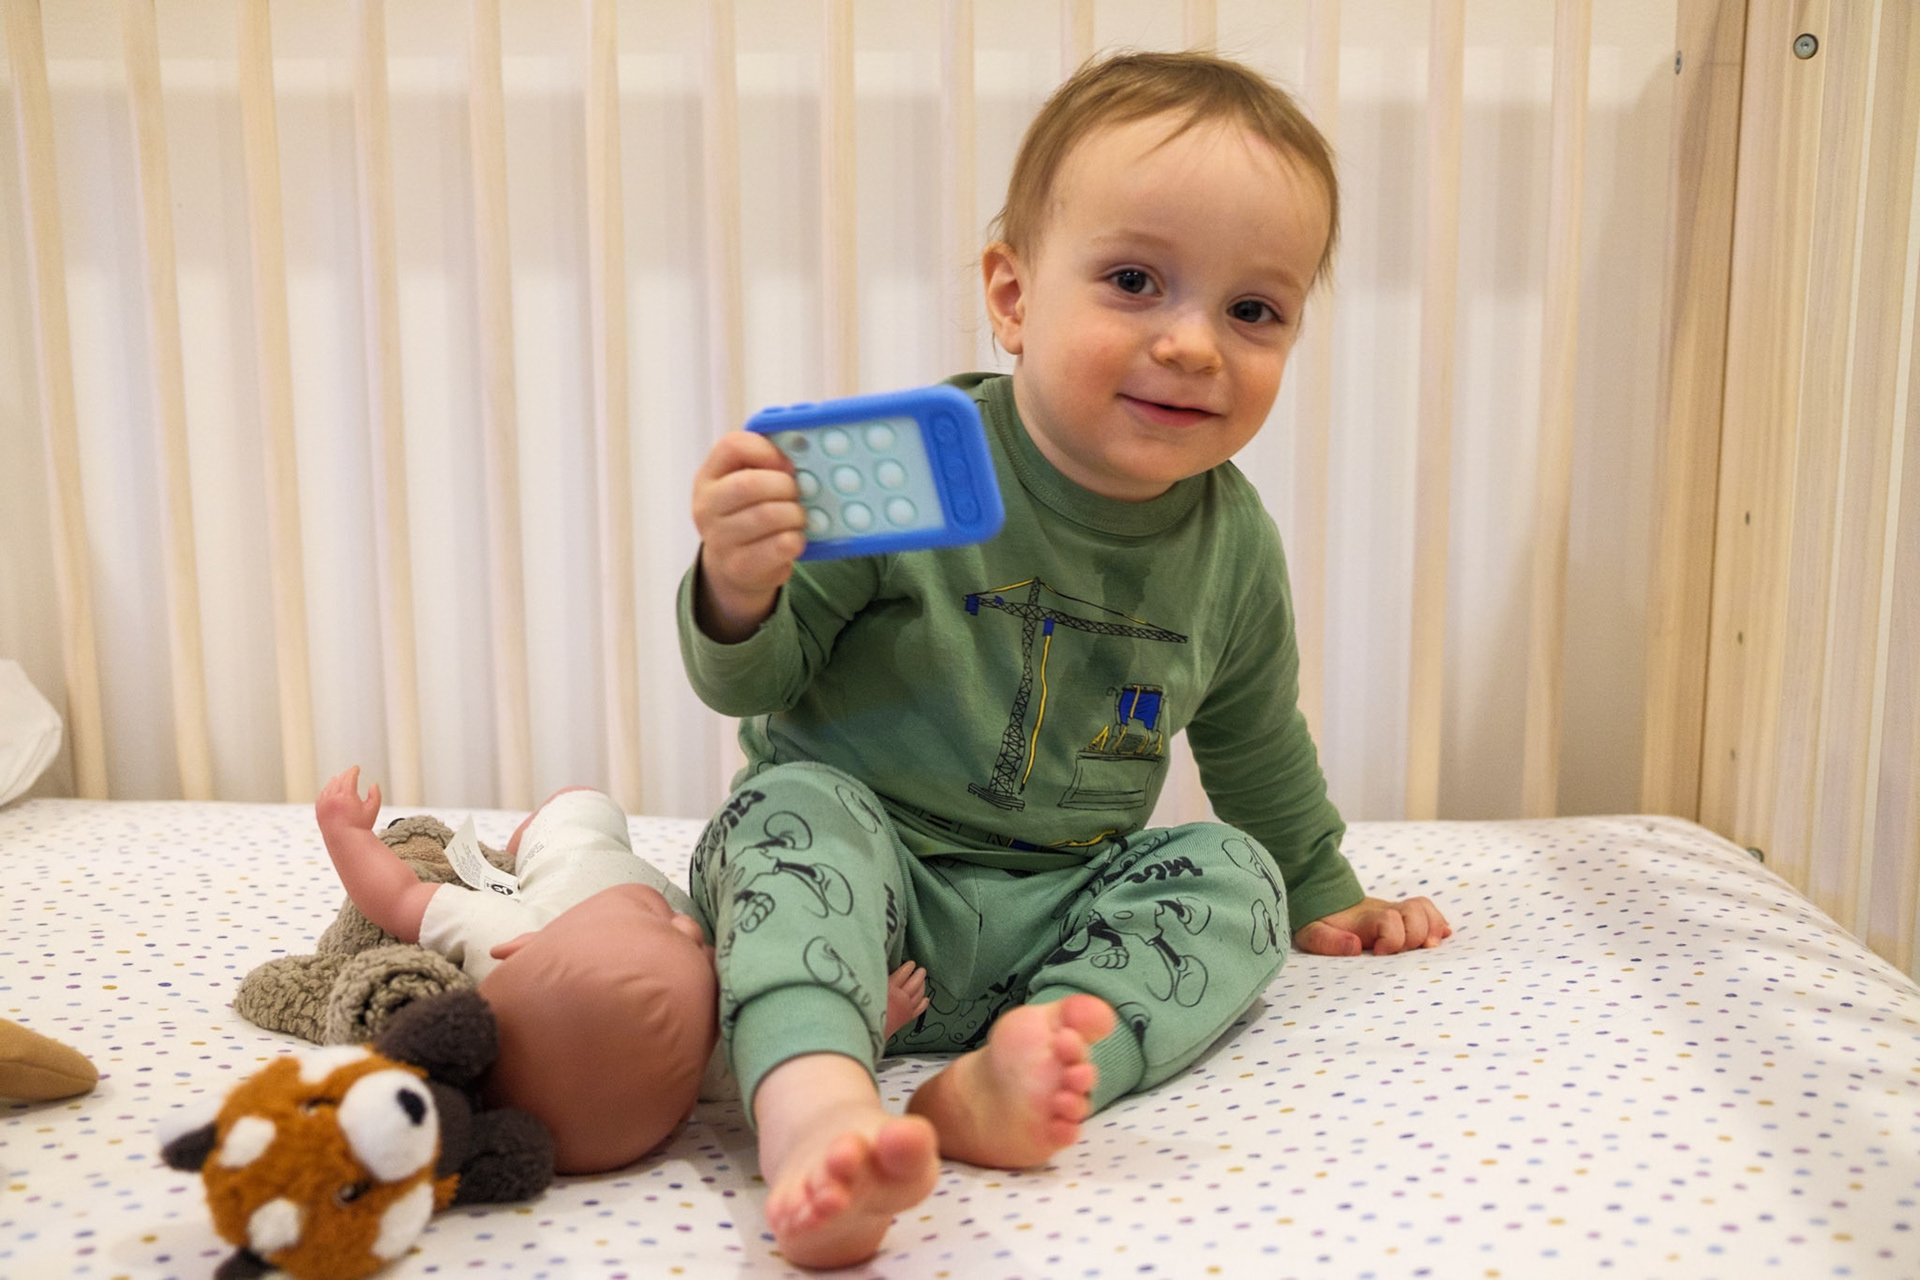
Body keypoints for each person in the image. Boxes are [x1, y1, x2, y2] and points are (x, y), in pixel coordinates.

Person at [680, 50, 1452, 1268]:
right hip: (868, 887)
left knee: (1231, 873)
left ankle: (1022, 1068)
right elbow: (754, 682)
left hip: (1060, 908)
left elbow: (1253, 736)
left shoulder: (1233, 544)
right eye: (1135, 281)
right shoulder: (915, 467)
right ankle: (818, 1111)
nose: (1194, 344)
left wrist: (1320, 885)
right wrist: (739, 583)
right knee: (789, 813)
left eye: (1254, 311)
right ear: (1014, 296)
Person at [314, 766, 928, 1173]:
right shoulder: (721, 1056)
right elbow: (801, 1032)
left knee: (574, 802)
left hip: (567, 862)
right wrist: (880, 1017)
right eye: (702, 957)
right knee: (587, 811)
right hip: (600, 860)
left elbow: (399, 900)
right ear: (685, 1108)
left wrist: (346, 834)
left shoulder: (500, 932)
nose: (691, 928)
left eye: (659, 923)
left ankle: (521, 842)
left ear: (523, 947)